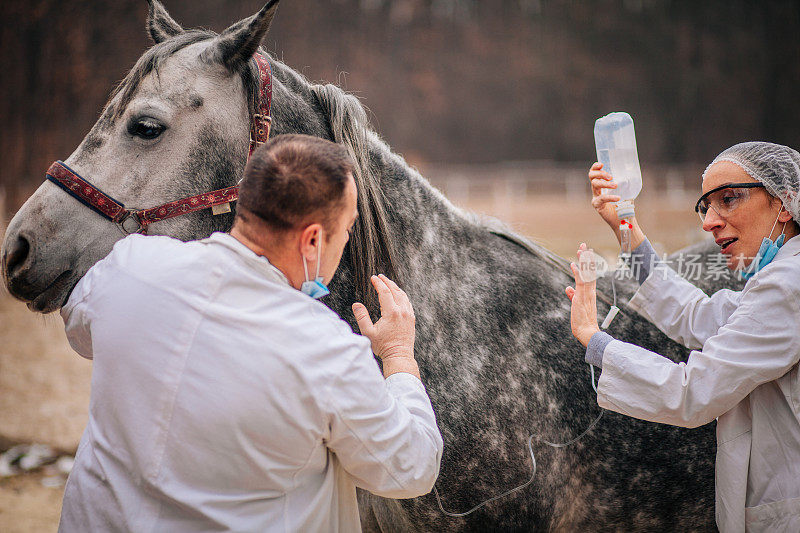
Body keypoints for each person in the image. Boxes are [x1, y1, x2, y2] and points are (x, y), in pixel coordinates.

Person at [58, 134, 443, 532]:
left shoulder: (131, 263)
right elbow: (410, 469)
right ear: (312, 239)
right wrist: (398, 354)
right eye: (347, 229)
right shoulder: (325, 349)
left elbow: (81, 331)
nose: (346, 241)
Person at [566, 142, 800, 532]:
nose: (709, 221)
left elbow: (691, 392)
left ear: (785, 201)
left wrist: (595, 339)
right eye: (706, 207)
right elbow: (696, 315)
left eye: (728, 199)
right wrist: (622, 222)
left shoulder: (787, 286)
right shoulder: (779, 282)